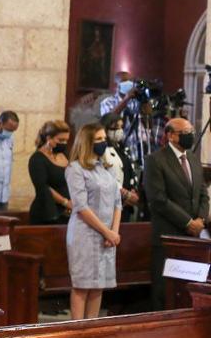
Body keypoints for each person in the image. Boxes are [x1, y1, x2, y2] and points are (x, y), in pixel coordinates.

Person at [144, 117, 209, 309]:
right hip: (168, 234)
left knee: (187, 290)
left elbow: (203, 194)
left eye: (192, 133)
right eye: (185, 133)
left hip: (193, 237)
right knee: (164, 290)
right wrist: (188, 222)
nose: (190, 137)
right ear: (171, 136)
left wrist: (201, 219)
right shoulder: (155, 160)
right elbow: (158, 199)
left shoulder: (193, 160)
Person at [65, 123, 122, 320]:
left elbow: (118, 203)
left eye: (104, 138)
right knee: (82, 285)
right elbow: (81, 207)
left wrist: (113, 233)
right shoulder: (75, 169)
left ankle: (91, 331)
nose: (103, 143)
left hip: (107, 236)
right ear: (87, 142)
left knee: (98, 287)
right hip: (85, 234)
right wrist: (106, 232)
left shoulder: (106, 170)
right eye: (98, 139)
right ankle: (77, 333)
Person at [29, 120, 72, 225]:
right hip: (47, 213)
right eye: (60, 140)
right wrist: (65, 202)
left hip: (68, 212)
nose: (64, 144)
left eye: (66, 140)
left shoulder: (64, 155)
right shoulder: (37, 159)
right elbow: (43, 187)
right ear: (48, 138)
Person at [100, 112, 140, 220]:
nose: (119, 130)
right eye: (115, 127)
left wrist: (132, 191)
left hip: (126, 205)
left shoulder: (123, 149)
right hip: (109, 203)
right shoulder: (102, 150)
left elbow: (129, 171)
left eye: (121, 127)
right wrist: (125, 194)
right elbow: (104, 176)